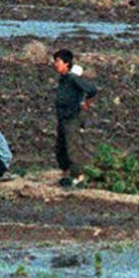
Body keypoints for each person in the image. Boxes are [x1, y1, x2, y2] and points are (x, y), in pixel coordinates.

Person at [51, 49, 98, 189]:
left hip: (72, 117)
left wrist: (86, 104)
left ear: (66, 63)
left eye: (58, 62)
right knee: (61, 147)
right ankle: (65, 176)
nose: (56, 64)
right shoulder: (63, 78)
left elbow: (92, 89)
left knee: (73, 147)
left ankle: (79, 178)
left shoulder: (73, 78)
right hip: (62, 118)